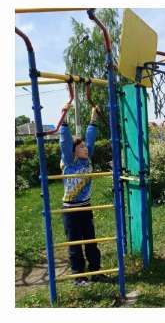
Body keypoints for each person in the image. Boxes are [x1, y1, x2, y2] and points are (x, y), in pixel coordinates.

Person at [60, 105, 102, 282]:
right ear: (74, 151)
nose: (85, 148)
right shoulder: (69, 162)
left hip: (85, 206)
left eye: (85, 146)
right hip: (70, 210)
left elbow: (91, 139)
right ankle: (79, 276)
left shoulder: (88, 158)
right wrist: (64, 120)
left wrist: (93, 118)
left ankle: (95, 271)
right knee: (75, 243)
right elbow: (65, 142)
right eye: (82, 147)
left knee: (91, 240)